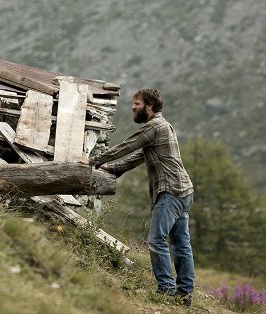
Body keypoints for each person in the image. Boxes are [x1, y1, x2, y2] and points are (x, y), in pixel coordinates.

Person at [80, 88, 195, 306]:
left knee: (156, 240)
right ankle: (185, 295)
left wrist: (93, 161)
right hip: (183, 191)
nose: (133, 107)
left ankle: (166, 291)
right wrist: (113, 168)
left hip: (171, 192)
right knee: (181, 243)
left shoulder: (153, 126)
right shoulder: (163, 126)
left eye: (137, 103)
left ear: (150, 106)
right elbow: (138, 156)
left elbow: (127, 146)